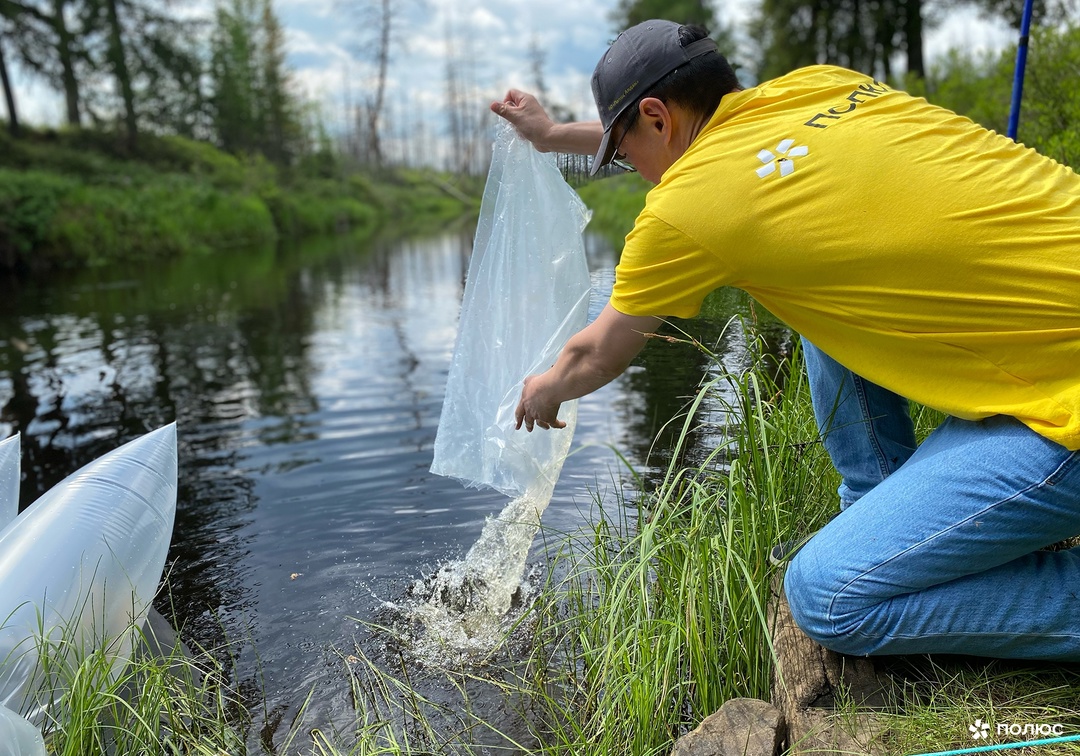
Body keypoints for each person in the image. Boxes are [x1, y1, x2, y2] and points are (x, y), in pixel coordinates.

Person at [490, 19, 1080, 661]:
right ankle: (880, 513)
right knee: (813, 292)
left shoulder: (687, 208)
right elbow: (690, 152)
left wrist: (546, 389)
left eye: (625, 153)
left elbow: (595, 353)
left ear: (657, 117)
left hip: (1065, 412)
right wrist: (552, 137)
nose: (635, 172)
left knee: (827, 596)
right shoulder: (821, 87)